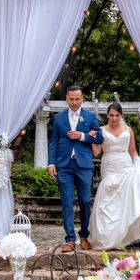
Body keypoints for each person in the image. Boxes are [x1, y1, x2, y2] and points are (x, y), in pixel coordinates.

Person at [88, 102, 140, 250]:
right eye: (111, 115)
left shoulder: (129, 130)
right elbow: (96, 152)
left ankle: (127, 235)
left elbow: (132, 151)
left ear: (121, 115)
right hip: (109, 165)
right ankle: (108, 236)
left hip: (125, 164)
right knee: (108, 195)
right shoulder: (100, 130)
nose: (114, 118)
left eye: (117, 115)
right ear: (107, 115)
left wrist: (138, 164)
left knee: (128, 196)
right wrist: (93, 139)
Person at [48, 85, 104, 252]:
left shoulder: (90, 117)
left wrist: (82, 136)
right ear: (66, 98)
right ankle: (70, 239)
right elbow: (54, 142)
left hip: (84, 165)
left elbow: (100, 137)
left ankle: (84, 236)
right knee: (67, 202)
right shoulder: (58, 118)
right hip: (64, 165)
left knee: (85, 201)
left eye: (77, 99)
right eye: (71, 99)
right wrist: (52, 163)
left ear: (82, 98)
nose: (74, 102)